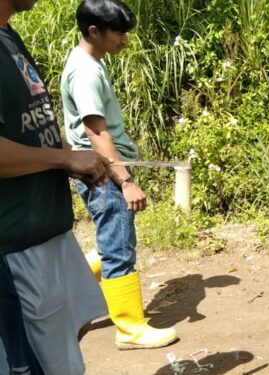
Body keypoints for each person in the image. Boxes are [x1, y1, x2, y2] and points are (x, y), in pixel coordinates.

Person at [0, 0, 112, 372]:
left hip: (49, 227)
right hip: (15, 243)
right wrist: (64, 159)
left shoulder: (9, 36)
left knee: (66, 350)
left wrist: (73, 158)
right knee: (35, 361)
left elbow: (32, 128)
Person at [61, 0, 176, 349]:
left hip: (104, 169)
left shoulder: (90, 61)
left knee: (113, 241)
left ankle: (69, 290)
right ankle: (129, 328)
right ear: (94, 31)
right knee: (118, 247)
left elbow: (104, 124)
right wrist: (125, 179)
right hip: (104, 175)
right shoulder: (85, 70)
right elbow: (96, 131)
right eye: (119, 33)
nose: (125, 40)